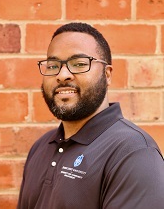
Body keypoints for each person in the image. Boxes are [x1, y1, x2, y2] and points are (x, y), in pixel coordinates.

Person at [17, 22, 164, 209]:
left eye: (78, 64)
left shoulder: (133, 153)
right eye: (53, 66)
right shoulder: (40, 147)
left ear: (107, 74)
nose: (62, 75)